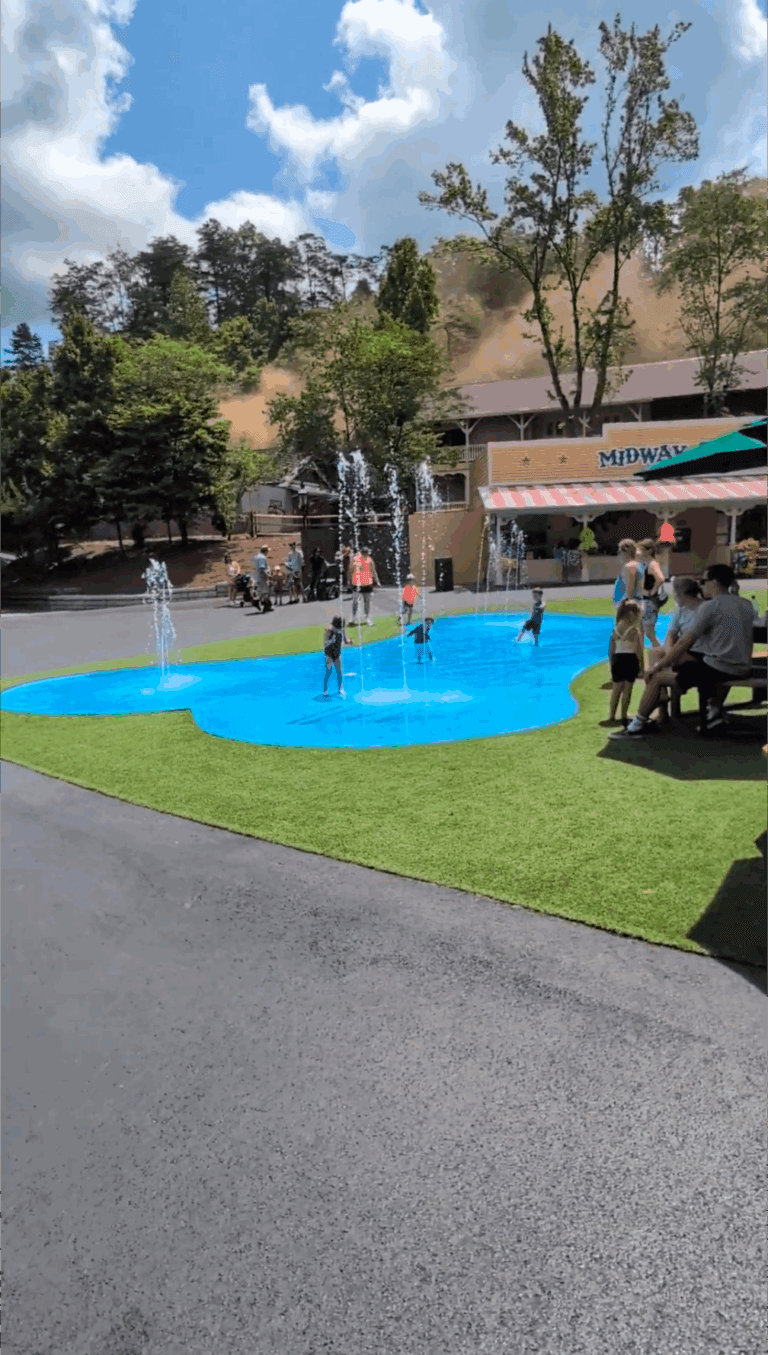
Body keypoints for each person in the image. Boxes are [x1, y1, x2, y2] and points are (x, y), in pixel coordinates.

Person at [612, 563, 755, 738]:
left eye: (704, 581)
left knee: (657, 678)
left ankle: (637, 725)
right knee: (678, 663)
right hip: (743, 667)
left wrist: (656, 667)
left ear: (715, 582)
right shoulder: (746, 604)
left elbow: (684, 643)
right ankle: (712, 714)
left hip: (719, 669)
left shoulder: (710, 607)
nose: (701, 586)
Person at [642, 577, 707, 725]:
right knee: (655, 653)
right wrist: (670, 652)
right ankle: (663, 704)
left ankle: (659, 704)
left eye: (674, 592)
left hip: (698, 654)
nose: (673, 596)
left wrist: (671, 656)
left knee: (657, 669)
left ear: (681, 593)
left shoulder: (705, 609)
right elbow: (671, 636)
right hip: (682, 652)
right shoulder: (681, 611)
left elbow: (690, 640)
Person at [606, 599, 644, 725]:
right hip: (630, 660)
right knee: (627, 689)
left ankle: (611, 715)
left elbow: (611, 650)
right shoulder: (634, 631)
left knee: (616, 689)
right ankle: (623, 715)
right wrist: (641, 666)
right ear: (632, 615)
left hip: (617, 659)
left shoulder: (615, 630)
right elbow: (638, 650)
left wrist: (612, 662)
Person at [636, 538, 667, 648]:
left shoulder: (652, 564)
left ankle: (661, 654)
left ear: (649, 551)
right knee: (641, 632)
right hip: (645, 600)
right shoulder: (647, 563)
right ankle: (642, 656)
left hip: (649, 601)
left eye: (640, 549)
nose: (638, 552)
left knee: (649, 633)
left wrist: (652, 591)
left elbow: (660, 578)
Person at [322, 614, 354, 696]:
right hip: (329, 654)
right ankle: (325, 689)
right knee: (328, 671)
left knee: (339, 671)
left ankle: (341, 688)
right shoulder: (328, 631)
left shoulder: (341, 631)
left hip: (337, 653)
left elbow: (345, 640)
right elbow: (325, 644)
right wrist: (331, 641)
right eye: (338, 628)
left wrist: (349, 641)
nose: (339, 630)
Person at [351, 544, 381, 626]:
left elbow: (373, 571)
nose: (366, 554)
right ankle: (353, 618)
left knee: (367, 602)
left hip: (367, 584)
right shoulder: (356, 559)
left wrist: (377, 581)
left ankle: (367, 618)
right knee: (355, 601)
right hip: (357, 584)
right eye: (364, 553)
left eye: (367, 553)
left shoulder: (369, 560)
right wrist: (350, 581)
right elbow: (351, 570)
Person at [613, 539, 644, 610]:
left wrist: (627, 607)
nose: (619, 554)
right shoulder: (637, 564)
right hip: (633, 604)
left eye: (619, 551)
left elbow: (630, 591)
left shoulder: (630, 566)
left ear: (625, 551)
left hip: (629, 606)